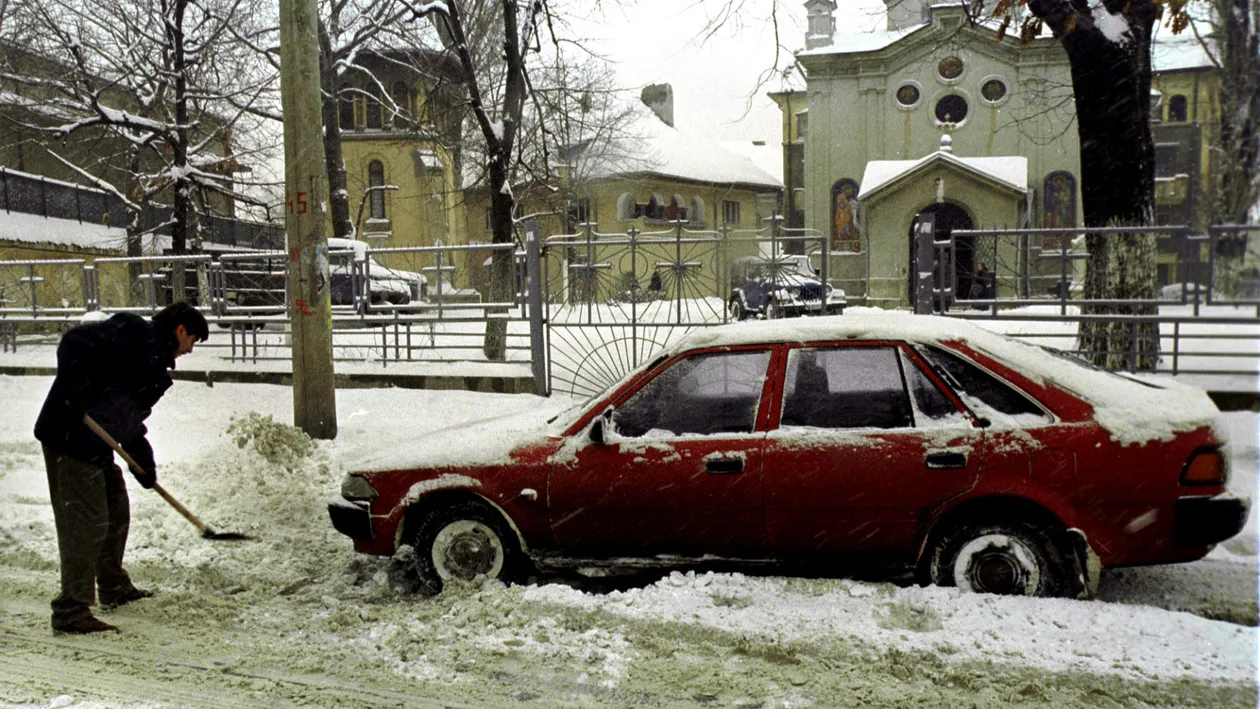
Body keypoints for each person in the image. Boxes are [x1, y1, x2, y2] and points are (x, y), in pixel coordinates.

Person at [34, 302, 208, 635]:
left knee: (116, 510)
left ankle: (112, 586)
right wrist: (74, 391)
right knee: (85, 522)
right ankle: (71, 610)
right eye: (193, 340)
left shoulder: (152, 361)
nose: (190, 350)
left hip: (95, 441)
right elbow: (75, 341)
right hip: (69, 436)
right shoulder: (135, 333)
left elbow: (127, 415)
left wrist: (143, 459)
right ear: (180, 330)